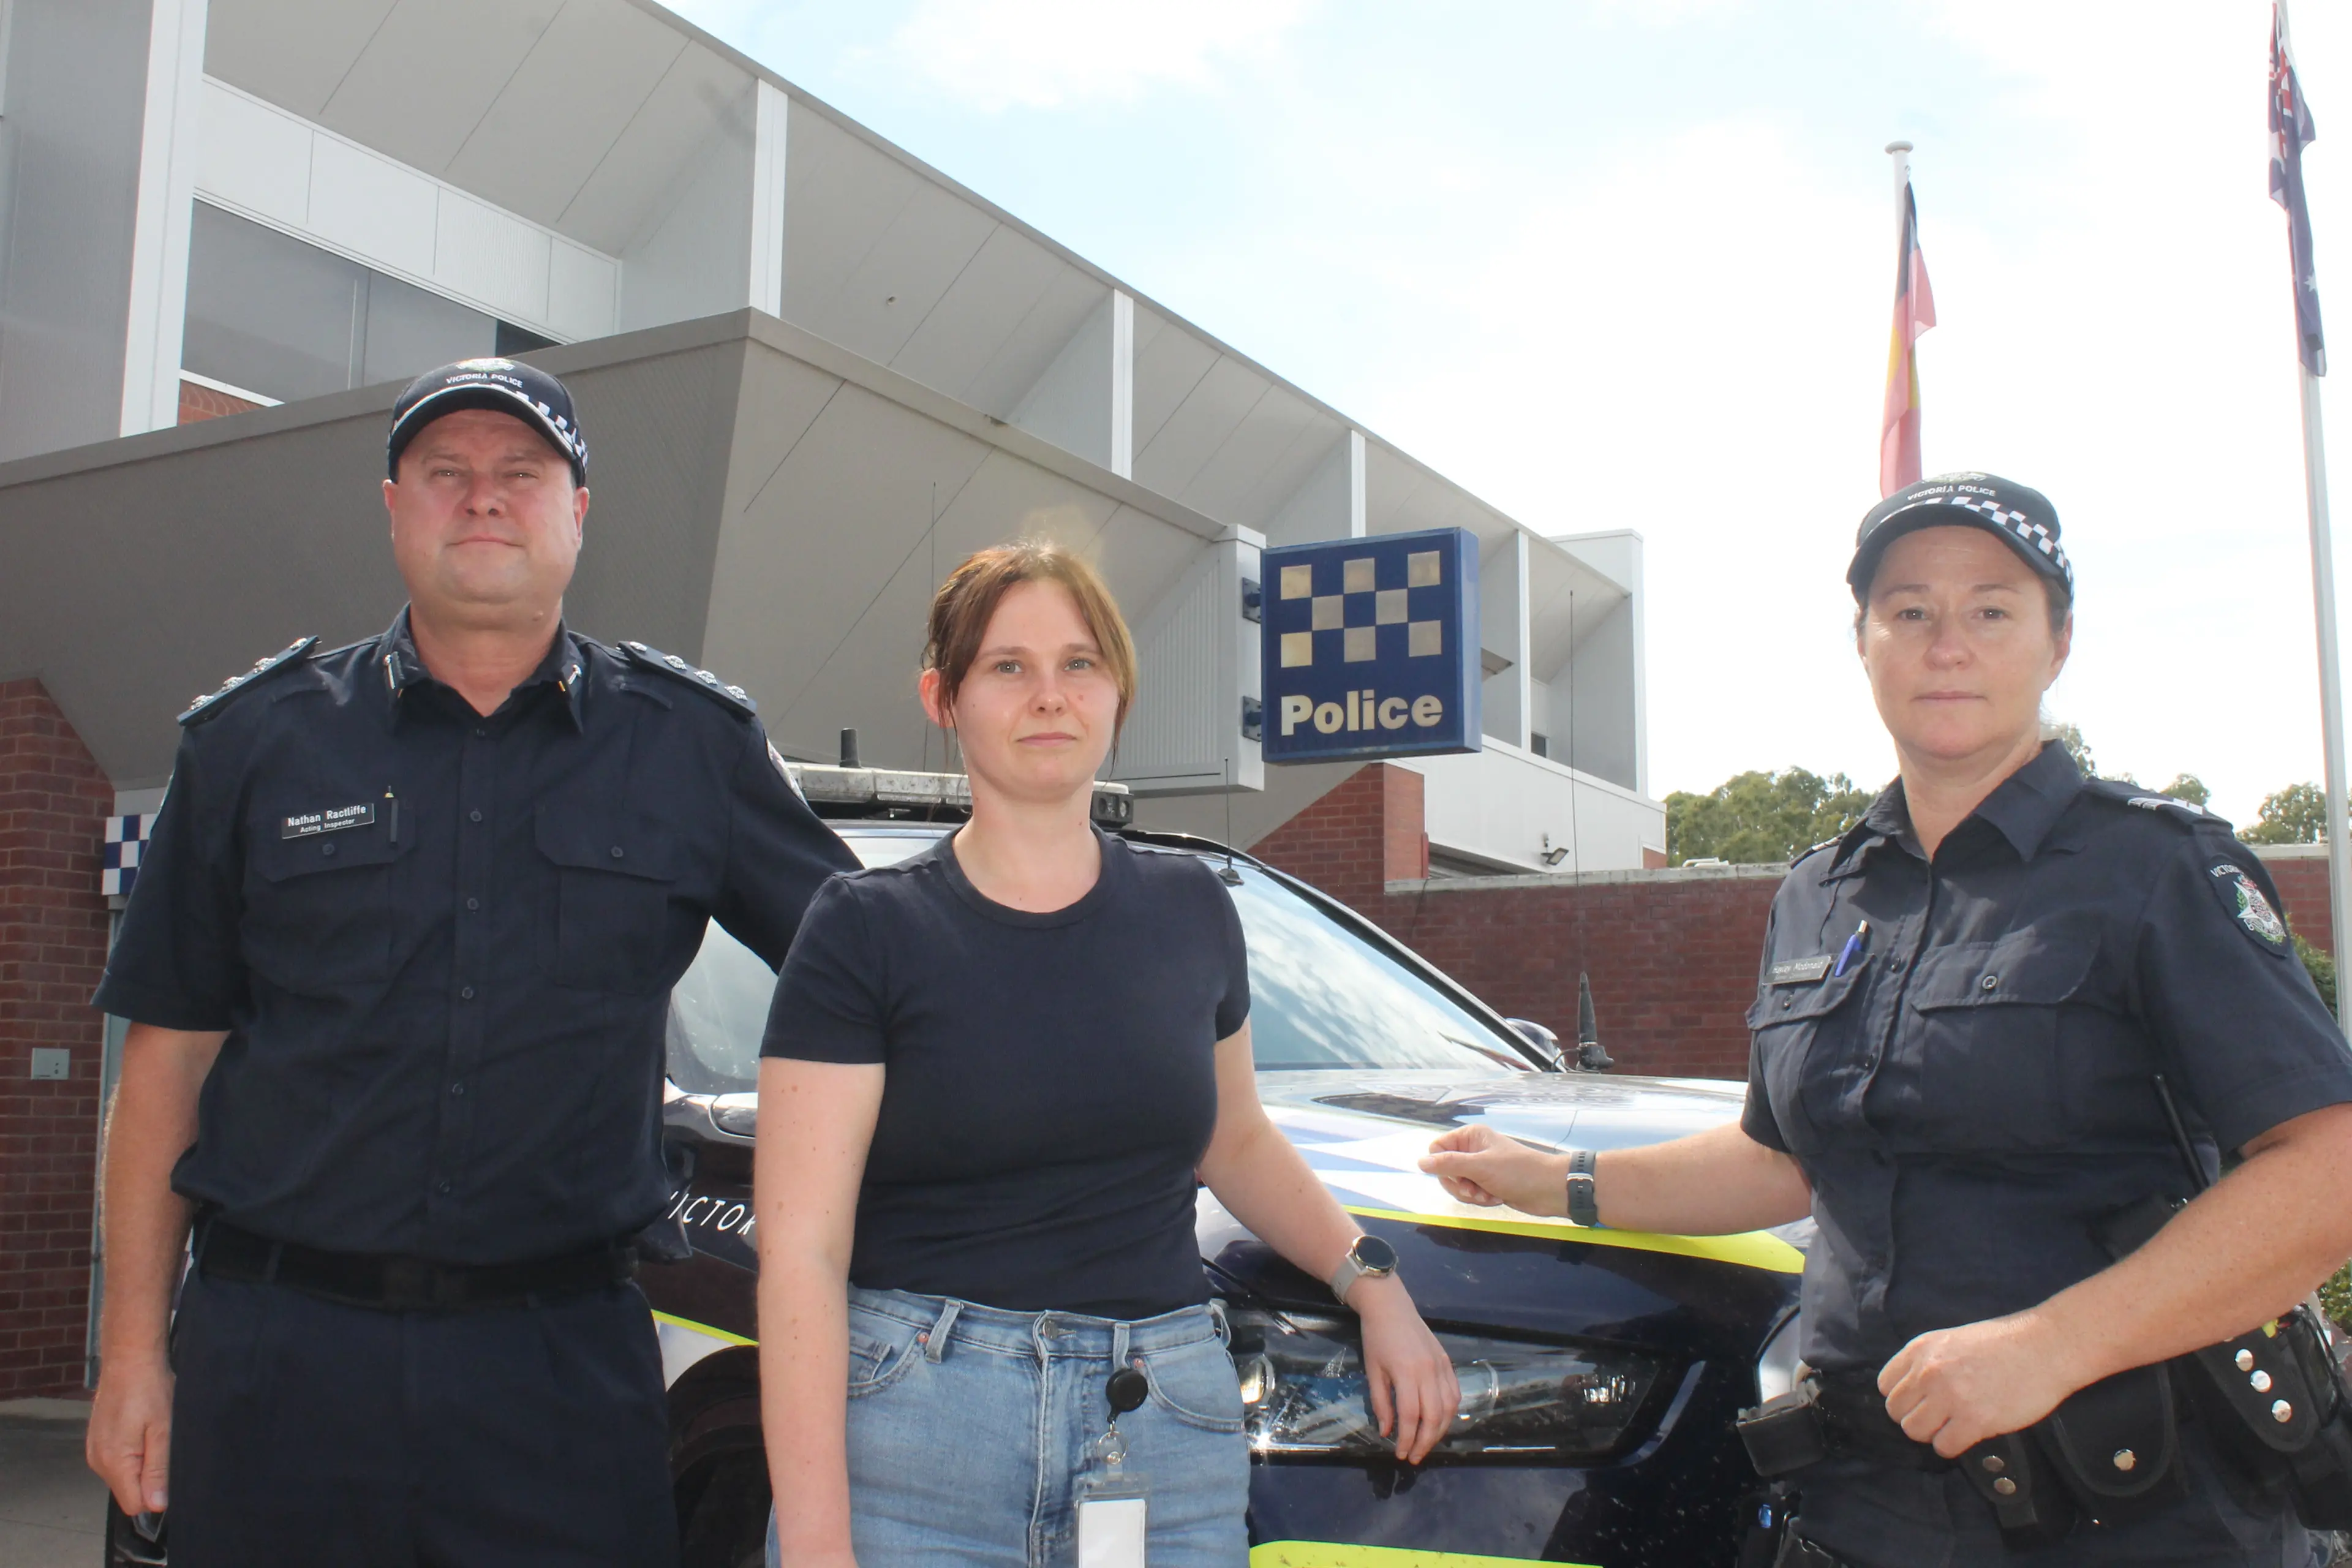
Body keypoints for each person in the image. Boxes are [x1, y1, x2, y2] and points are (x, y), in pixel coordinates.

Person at [1421, 472, 2352, 1566]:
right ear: (1863, 643)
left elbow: (2324, 1170)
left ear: (2058, 645)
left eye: (1992, 610)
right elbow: (1784, 1161)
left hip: (2137, 1508)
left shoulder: (2156, 871)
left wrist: (2053, 1345)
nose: (1946, 643)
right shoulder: (1822, 891)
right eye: (1909, 610)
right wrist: (1560, 1179)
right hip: (1863, 1507)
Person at [83, 356, 858, 1567]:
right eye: (447, 473)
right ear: (394, 506)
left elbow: (876, 975)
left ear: (578, 513)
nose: (483, 498)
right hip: (280, 1359)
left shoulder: (691, 748)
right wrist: (133, 1353)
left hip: (561, 1370)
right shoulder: (253, 745)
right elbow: (166, 1068)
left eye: (520, 473)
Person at [755, 539, 1459, 1567]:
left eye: (1079, 663)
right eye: (1009, 666)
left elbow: (1236, 1139)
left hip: (1162, 1440)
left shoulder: (1190, 910)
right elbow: (803, 1255)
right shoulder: (862, 931)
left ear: (1117, 692)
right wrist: (818, 1541)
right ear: (943, 697)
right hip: (915, 1446)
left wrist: (1373, 1283)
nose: (1050, 695)